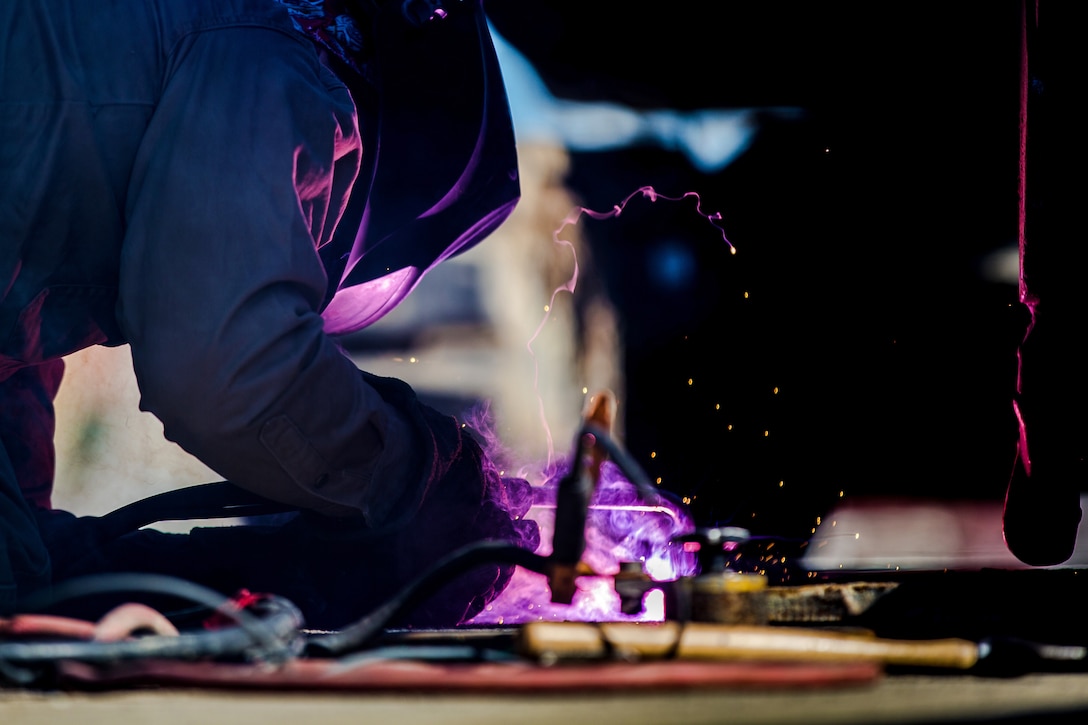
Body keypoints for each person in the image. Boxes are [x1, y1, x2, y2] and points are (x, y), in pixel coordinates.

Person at [0, 0, 537, 628]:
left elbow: (23, 576)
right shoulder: (266, 61)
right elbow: (228, 375)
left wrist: (263, 572)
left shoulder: (39, 228)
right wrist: (416, 474)